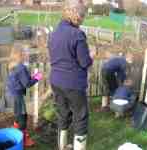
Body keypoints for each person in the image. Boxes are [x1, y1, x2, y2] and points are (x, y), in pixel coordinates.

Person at [48, 0, 94, 150]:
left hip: (56, 80)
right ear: (77, 16)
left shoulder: (54, 33)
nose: (83, 20)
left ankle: (62, 146)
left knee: (63, 113)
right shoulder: (77, 34)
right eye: (82, 16)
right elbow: (84, 62)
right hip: (73, 83)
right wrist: (92, 54)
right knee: (80, 116)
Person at [5, 43, 42, 147]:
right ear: (20, 54)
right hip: (17, 96)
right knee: (23, 117)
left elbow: (22, 80)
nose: (28, 54)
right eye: (26, 52)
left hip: (11, 94)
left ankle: (16, 131)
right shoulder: (21, 67)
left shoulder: (13, 64)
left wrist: (32, 77)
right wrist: (37, 78)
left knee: (18, 115)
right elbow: (27, 83)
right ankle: (23, 139)